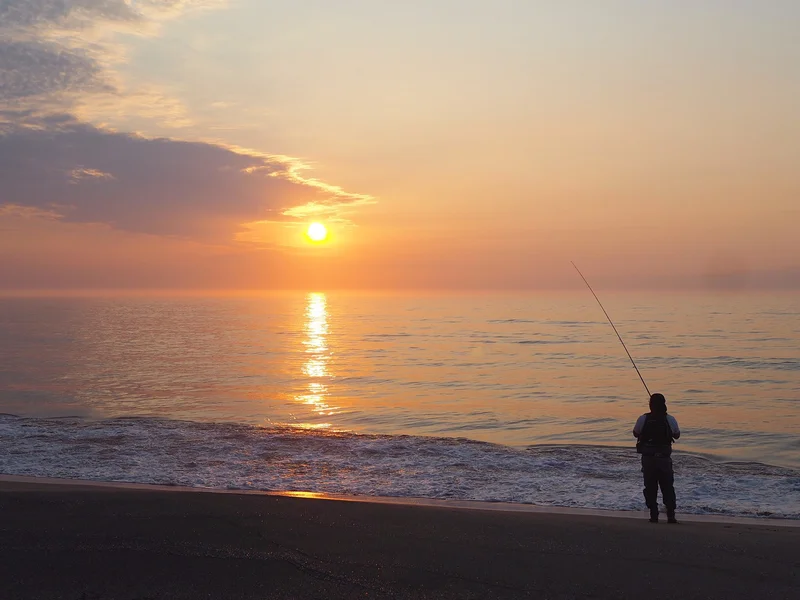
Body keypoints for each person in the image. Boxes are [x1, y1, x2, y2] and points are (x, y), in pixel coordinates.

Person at [633, 393, 680, 523]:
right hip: (664, 458)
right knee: (667, 486)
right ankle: (671, 514)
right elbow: (677, 435)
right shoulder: (670, 419)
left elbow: (635, 432)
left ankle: (654, 514)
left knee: (650, 486)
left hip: (648, 459)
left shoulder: (643, 419)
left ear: (650, 404)